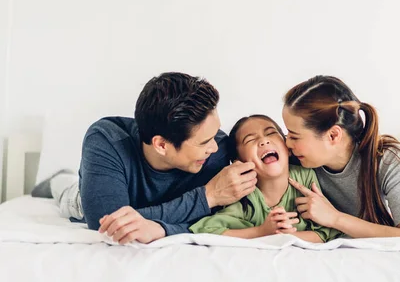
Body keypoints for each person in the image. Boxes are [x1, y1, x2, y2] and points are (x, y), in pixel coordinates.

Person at [31, 72, 258, 244]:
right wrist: (207, 197)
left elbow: (213, 223)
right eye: (202, 142)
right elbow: (108, 223)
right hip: (85, 199)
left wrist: (159, 229)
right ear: (161, 144)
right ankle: (57, 180)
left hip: (136, 202)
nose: (214, 148)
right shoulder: (107, 140)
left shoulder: (217, 148)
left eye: (214, 135)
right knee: (67, 193)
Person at [282, 75, 400, 239]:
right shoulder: (294, 160)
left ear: (333, 135)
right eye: (287, 134)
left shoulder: (387, 160)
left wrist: (335, 218)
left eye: (294, 137)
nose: (286, 144)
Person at [189, 115, 342, 243]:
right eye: (250, 140)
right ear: (239, 163)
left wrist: (287, 236)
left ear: (288, 148)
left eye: (270, 133)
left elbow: (325, 232)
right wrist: (261, 232)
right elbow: (206, 230)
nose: (263, 141)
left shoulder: (306, 178)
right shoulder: (243, 194)